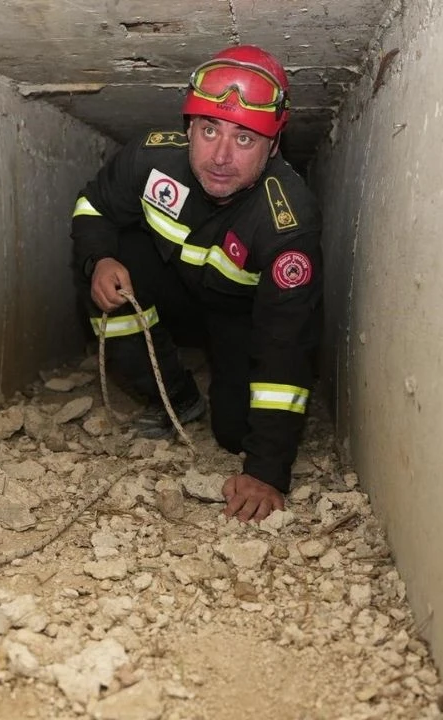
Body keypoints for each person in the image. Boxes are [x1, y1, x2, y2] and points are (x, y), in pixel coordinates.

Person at [70, 45, 323, 523]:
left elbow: (286, 347)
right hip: (169, 282)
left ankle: (219, 400)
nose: (221, 157)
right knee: (110, 287)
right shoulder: (150, 158)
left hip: (239, 313)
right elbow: (94, 206)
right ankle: (175, 396)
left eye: (245, 139)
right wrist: (99, 259)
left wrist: (267, 471)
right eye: (209, 131)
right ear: (189, 128)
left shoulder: (288, 222)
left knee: (233, 433)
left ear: (273, 147)